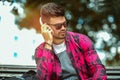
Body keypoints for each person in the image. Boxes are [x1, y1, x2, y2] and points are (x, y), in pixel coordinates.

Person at [34, 2, 107, 80]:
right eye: (58, 26)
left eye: (65, 24)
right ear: (46, 27)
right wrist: (48, 44)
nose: (63, 28)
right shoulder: (41, 51)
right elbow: (44, 78)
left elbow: (99, 71)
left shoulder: (81, 41)